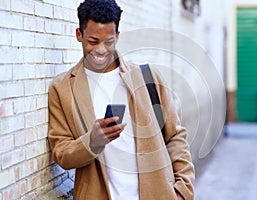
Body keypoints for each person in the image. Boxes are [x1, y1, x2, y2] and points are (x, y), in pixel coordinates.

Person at [48, 0, 195, 199]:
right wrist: (92, 142)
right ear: (79, 35)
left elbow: (175, 136)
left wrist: (184, 191)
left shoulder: (148, 77)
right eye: (93, 41)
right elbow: (61, 152)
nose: (101, 50)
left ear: (117, 37)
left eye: (108, 41)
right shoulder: (63, 88)